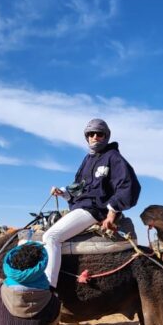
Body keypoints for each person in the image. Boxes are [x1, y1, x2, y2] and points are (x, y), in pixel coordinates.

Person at [45, 118, 141, 289]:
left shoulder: (114, 157)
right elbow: (80, 186)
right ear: (87, 137)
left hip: (94, 209)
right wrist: (64, 192)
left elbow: (129, 185)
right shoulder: (87, 160)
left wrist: (112, 211)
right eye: (91, 134)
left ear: (106, 136)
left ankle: (47, 289)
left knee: (51, 237)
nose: (95, 137)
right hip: (82, 206)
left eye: (99, 134)